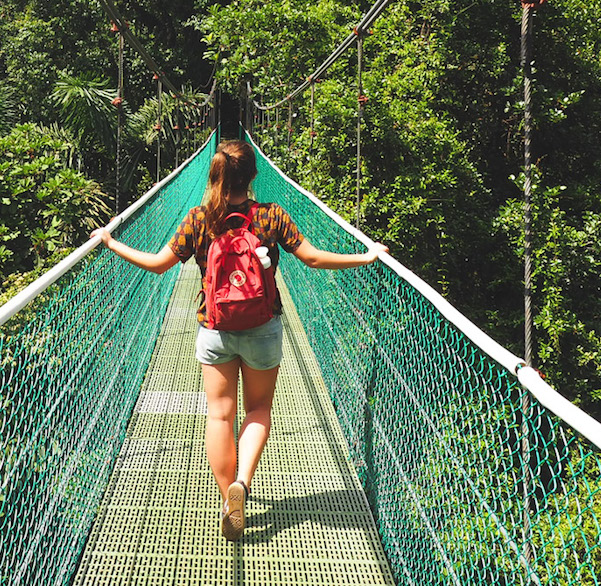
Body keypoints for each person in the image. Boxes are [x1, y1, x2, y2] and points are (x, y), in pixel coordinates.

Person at [91, 139, 385, 541]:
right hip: (263, 328)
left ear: (215, 174)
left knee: (219, 416)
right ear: (253, 175)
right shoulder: (269, 216)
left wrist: (111, 243)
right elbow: (313, 258)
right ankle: (242, 485)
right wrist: (365, 256)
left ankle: (224, 498)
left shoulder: (199, 219)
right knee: (259, 409)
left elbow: (158, 265)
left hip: (215, 328)